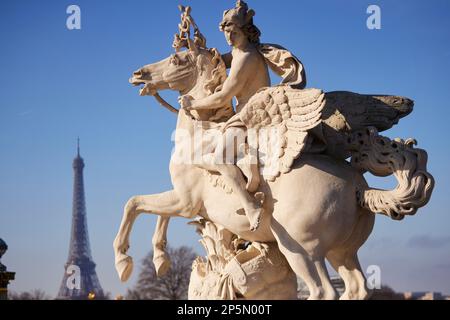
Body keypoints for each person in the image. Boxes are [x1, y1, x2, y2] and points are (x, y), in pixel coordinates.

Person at [178, 0, 306, 231]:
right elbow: (212, 61)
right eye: (226, 33)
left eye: (234, 33)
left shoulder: (247, 57)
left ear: (245, 32)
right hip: (246, 113)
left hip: (251, 115)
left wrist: (193, 103)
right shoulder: (238, 52)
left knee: (219, 158)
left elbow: (223, 97)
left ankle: (250, 206)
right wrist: (194, 44)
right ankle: (246, 167)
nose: (229, 38)